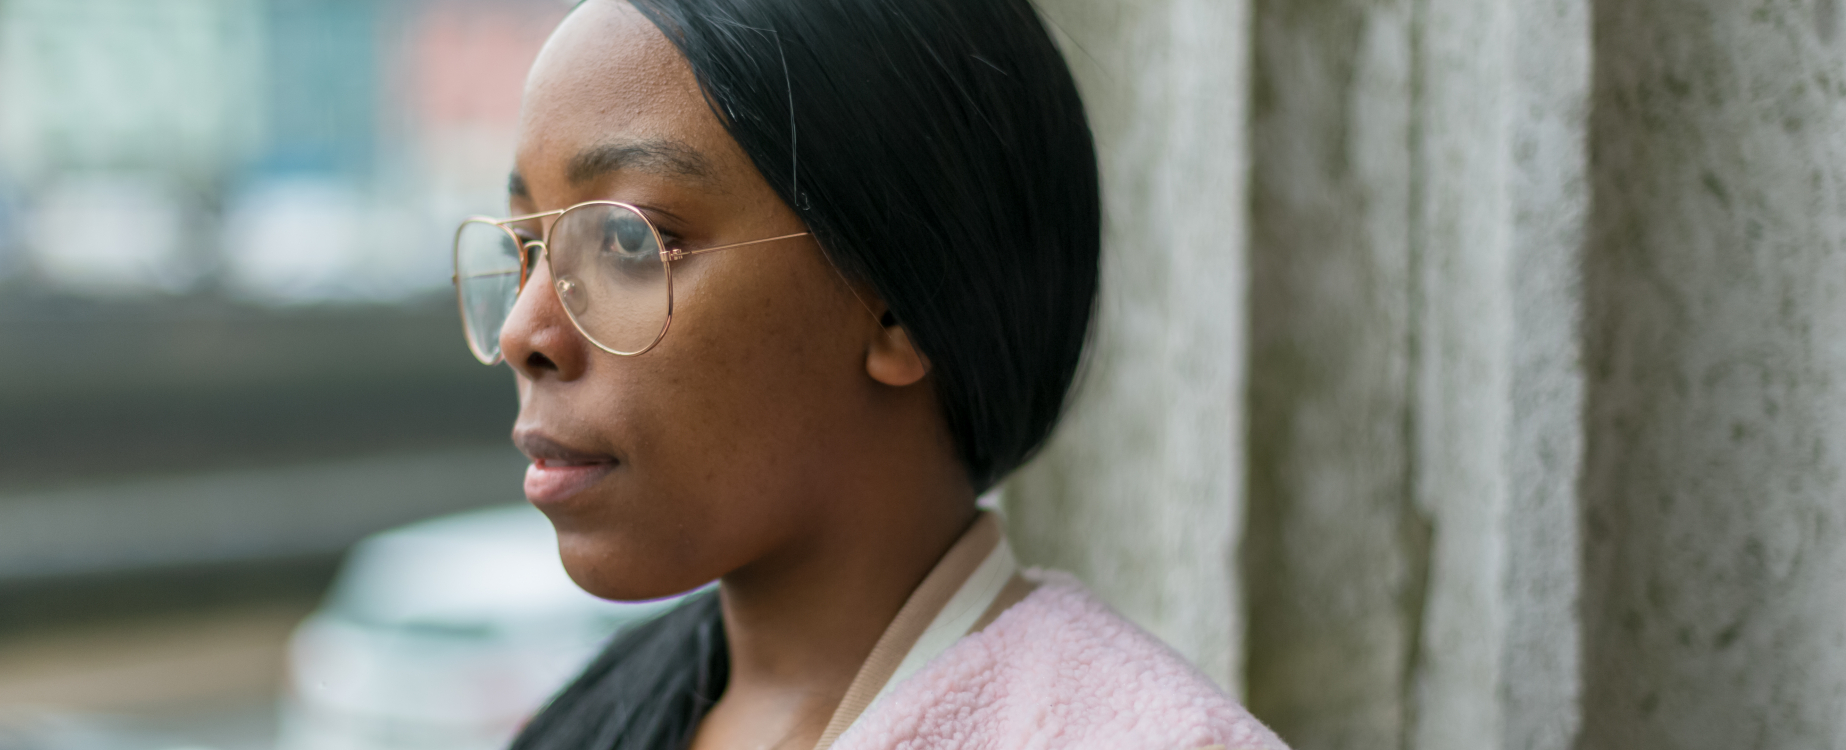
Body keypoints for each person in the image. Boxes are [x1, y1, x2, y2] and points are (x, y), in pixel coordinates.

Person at [448, 0, 1289, 747]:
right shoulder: (594, 717)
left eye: (629, 241)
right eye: (526, 249)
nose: (527, 331)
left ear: (901, 301)